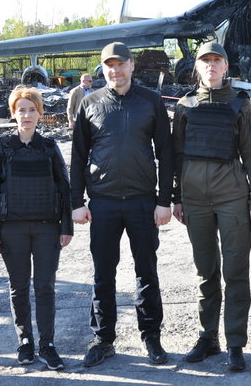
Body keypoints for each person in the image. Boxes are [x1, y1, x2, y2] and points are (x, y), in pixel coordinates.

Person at [70, 41, 173, 367]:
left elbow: (166, 154)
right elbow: (78, 158)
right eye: (109, 65)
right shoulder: (90, 103)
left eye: (120, 64)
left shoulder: (151, 102)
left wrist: (164, 201)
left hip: (143, 203)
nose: (115, 70)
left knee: (146, 272)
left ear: (131, 66)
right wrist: (77, 201)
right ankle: (103, 339)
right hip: (103, 203)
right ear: (103, 69)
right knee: (103, 274)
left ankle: (151, 336)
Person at [171, 41, 251, 372]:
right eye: (205, 61)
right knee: (205, 271)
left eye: (217, 60)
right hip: (195, 200)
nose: (211, 65)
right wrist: (177, 196)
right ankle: (208, 338)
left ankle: (235, 343)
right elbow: (176, 154)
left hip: (232, 197)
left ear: (227, 66)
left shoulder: (240, 103)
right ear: (197, 67)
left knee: (235, 272)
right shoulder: (185, 105)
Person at [0, 86, 74, 371]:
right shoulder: (2, 148)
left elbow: (64, 187)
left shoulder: (49, 148)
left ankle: (47, 344)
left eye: (32, 109)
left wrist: (66, 226)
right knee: (19, 288)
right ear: (13, 113)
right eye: (21, 110)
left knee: (45, 287)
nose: (26, 115)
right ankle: (25, 341)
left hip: (47, 228)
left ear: (40, 113)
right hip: (12, 229)